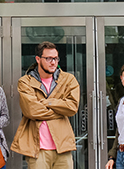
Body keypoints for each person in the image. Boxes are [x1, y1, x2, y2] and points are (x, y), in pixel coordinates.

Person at [11, 41, 80, 169]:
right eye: (48, 58)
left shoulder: (68, 79)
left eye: (55, 58)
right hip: (37, 149)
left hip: (62, 147)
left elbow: (72, 107)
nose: (53, 62)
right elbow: (31, 111)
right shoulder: (25, 81)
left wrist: (48, 102)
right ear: (38, 59)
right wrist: (59, 110)